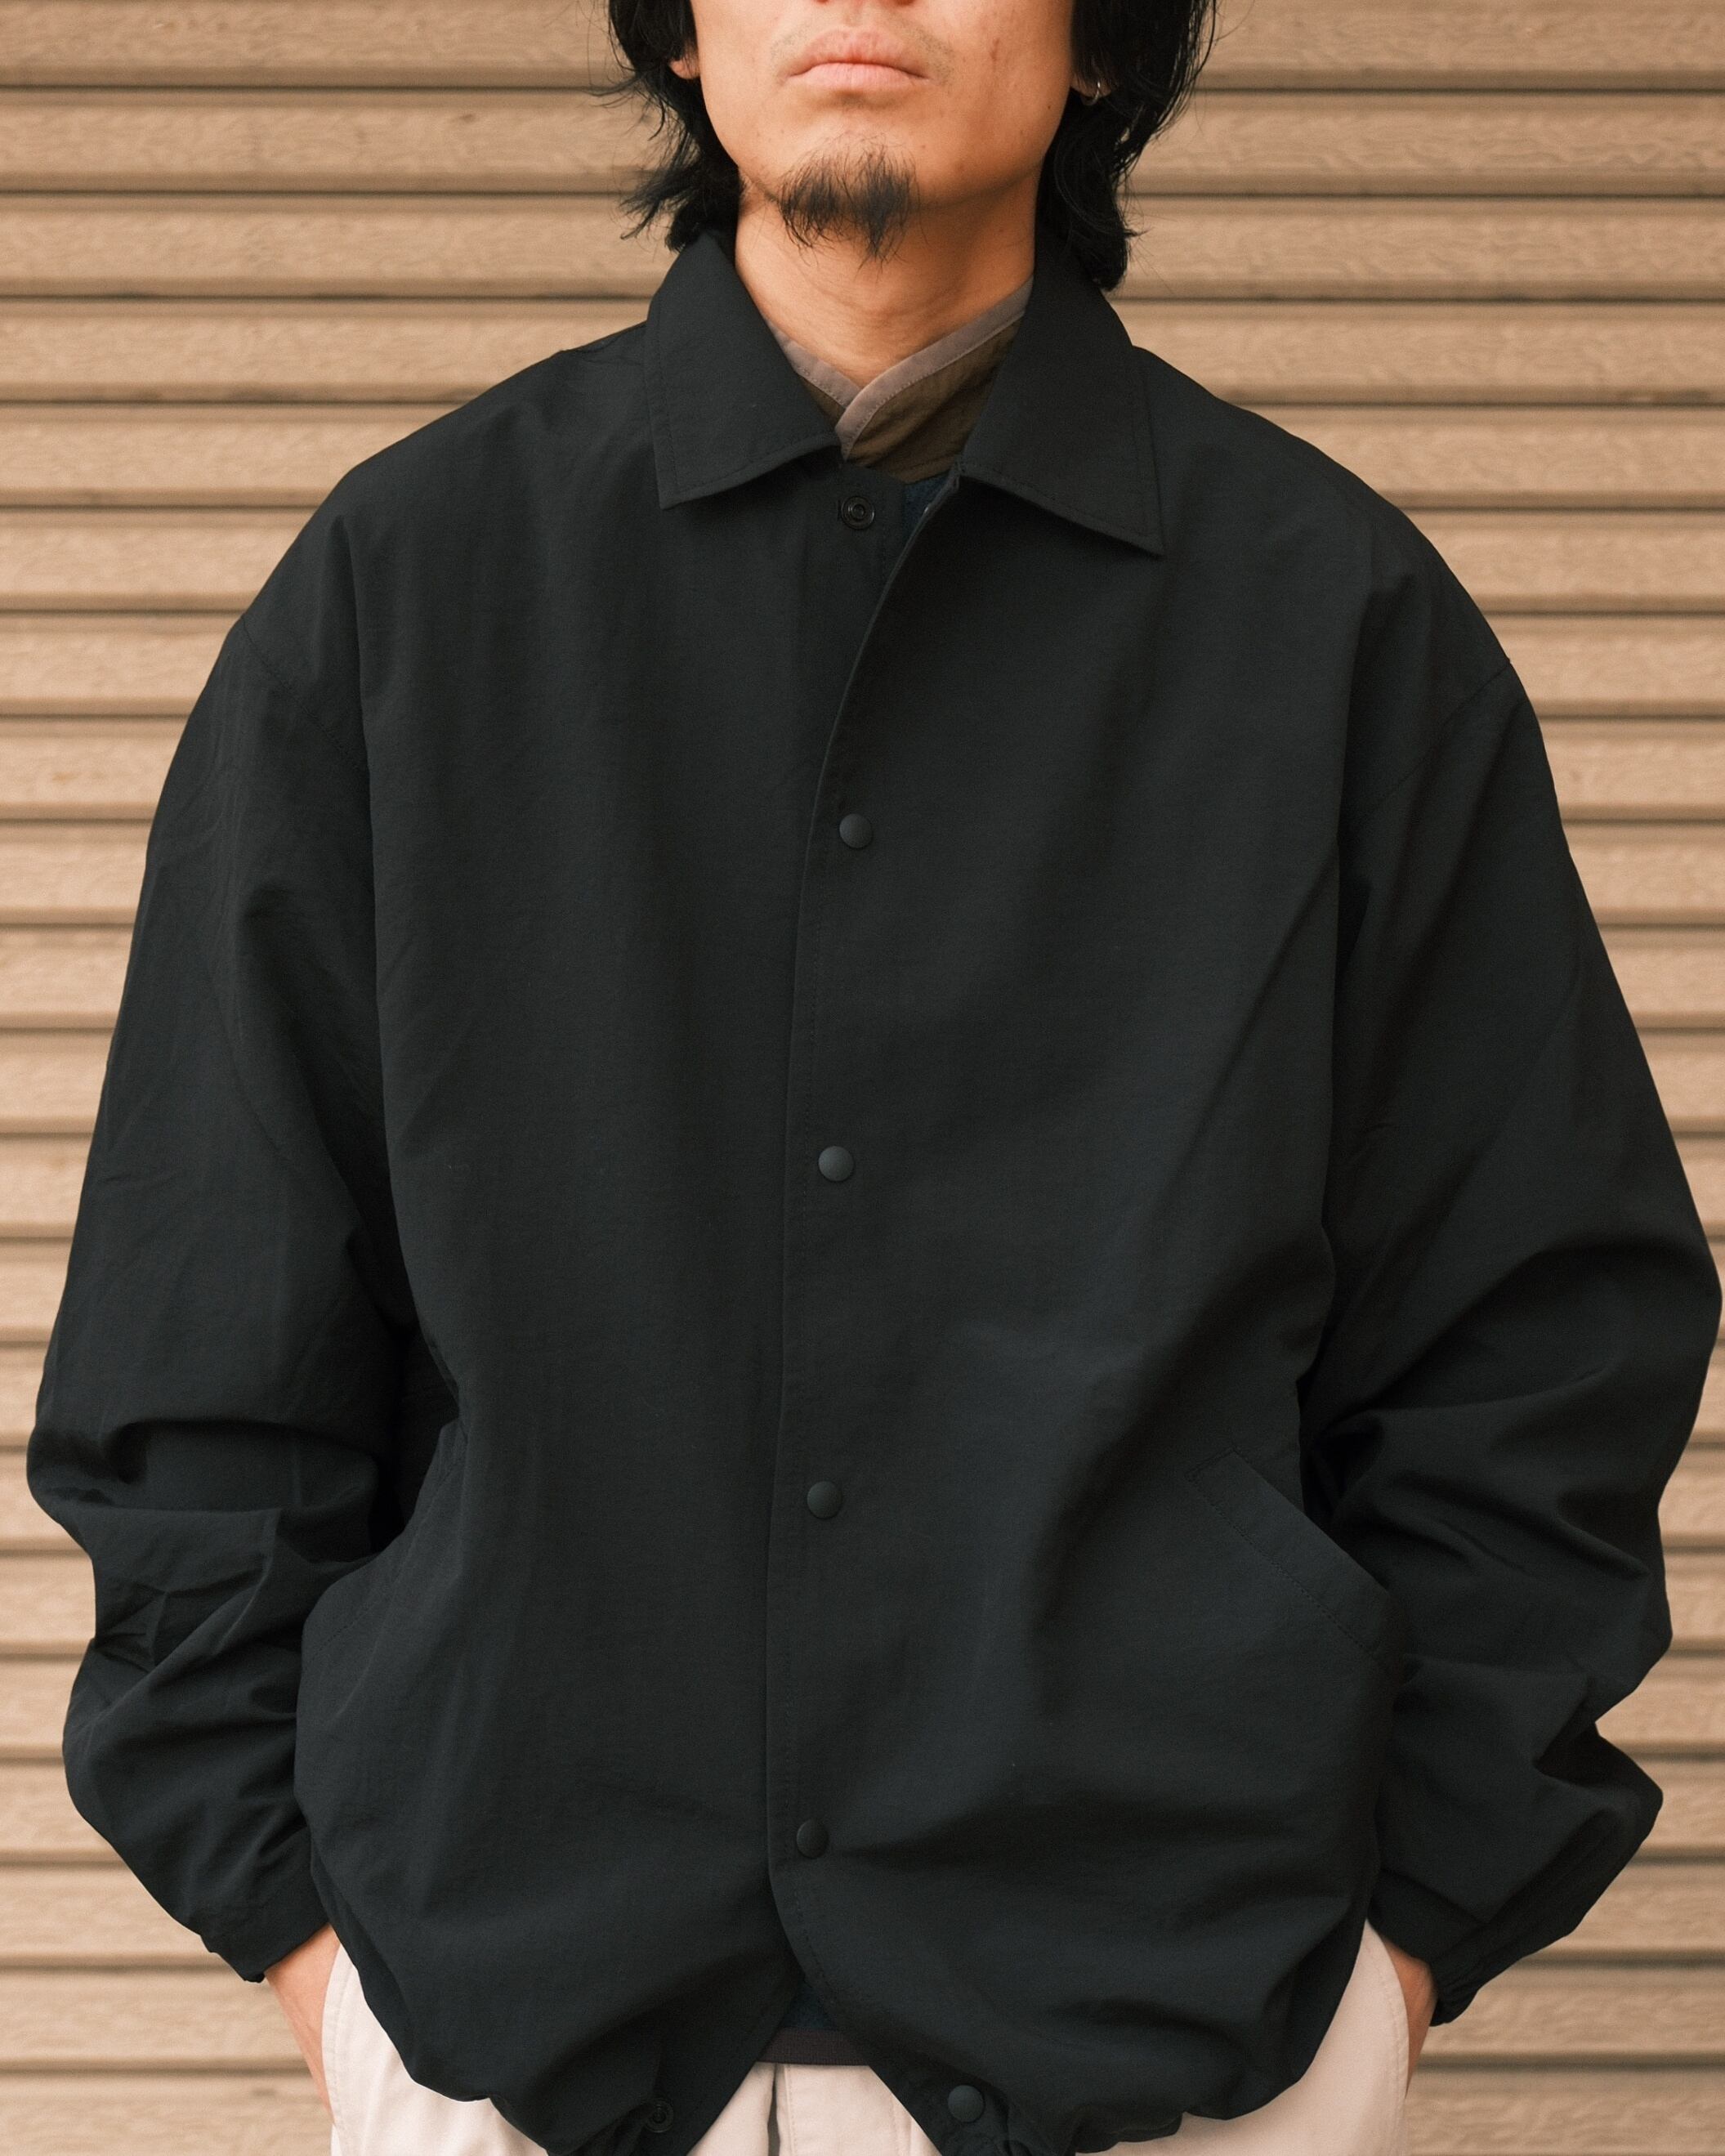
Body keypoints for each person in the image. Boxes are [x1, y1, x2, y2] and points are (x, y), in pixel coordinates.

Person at [26, 2, 1719, 2154]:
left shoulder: (1334, 620)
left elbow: (1542, 1338)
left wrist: (1397, 1952)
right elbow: (200, 1338)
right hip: (509, 2046)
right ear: (685, 34)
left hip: (1184, 2046)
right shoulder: (411, 590)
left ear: (1100, 43)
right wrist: (310, 1945)